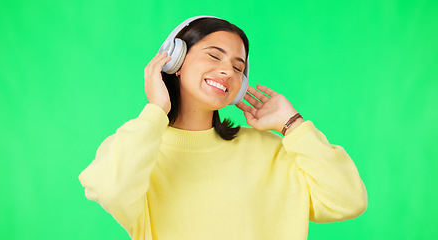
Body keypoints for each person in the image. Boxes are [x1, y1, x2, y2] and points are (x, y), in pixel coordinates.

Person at [78, 16, 367, 240]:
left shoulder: (270, 151)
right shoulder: (135, 149)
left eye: (238, 67)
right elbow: (111, 190)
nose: (228, 71)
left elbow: (348, 200)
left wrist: (293, 125)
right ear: (175, 60)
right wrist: (156, 111)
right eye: (214, 56)